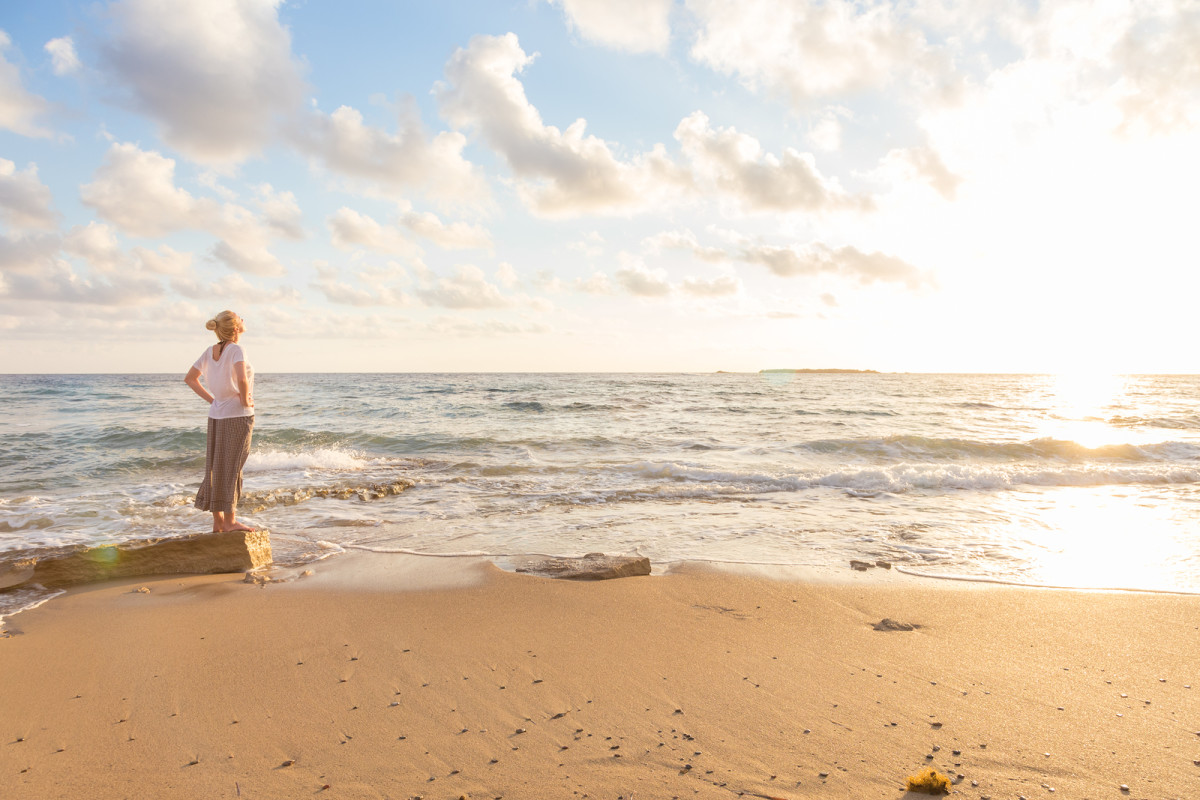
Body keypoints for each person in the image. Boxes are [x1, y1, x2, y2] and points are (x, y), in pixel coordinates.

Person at [184, 310, 256, 532]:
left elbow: (190, 379)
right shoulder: (236, 349)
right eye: (239, 318)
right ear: (235, 328)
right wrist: (245, 400)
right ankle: (231, 522)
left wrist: (213, 400)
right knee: (232, 467)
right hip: (237, 414)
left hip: (216, 414)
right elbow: (242, 378)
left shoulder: (210, 351)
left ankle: (218, 523)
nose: (244, 319)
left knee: (216, 467)